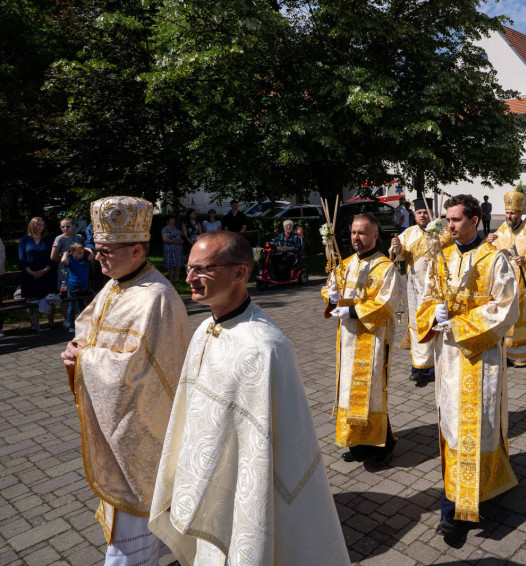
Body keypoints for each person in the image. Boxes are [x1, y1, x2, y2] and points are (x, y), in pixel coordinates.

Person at [149, 231, 349, 566]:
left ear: (239, 273)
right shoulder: (205, 330)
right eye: (189, 268)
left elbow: (284, 447)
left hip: (244, 490)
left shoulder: (264, 348)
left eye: (202, 269)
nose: (189, 278)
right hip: (206, 479)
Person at [60, 196, 191, 565]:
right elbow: (88, 329)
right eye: (96, 249)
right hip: (115, 420)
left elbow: (139, 370)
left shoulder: (156, 296)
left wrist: (85, 359)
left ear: (136, 250)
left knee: (132, 529)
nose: (97, 257)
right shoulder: (115, 285)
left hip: (142, 427)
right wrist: (75, 349)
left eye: (106, 251)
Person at [415, 194, 519, 538]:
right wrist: (433, 314)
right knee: (453, 426)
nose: (449, 226)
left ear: (474, 220)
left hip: (482, 357)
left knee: (481, 425)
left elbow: (507, 307)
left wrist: (459, 323)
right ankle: (453, 507)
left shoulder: (494, 259)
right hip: (448, 360)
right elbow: (425, 301)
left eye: (456, 219)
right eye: (447, 219)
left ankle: (482, 490)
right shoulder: (440, 257)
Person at [323, 213, 403, 466]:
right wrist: (332, 297)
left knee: (372, 392)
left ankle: (383, 445)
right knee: (348, 391)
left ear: (375, 235)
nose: (356, 237)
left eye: (362, 233)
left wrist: (353, 311)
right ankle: (357, 443)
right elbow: (329, 288)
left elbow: (388, 302)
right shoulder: (344, 264)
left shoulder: (385, 267)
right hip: (348, 341)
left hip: (374, 339)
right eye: (354, 232)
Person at [390, 198, 452, 383]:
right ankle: (420, 367)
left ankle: (438, 364)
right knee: (418, 323)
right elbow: (398, 256)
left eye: (426, 212)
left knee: (437, 322)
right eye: (419, 213)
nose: (422, 215)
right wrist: (397, 247)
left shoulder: (444, 232)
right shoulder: (408, 233)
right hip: (415, 289)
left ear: (432, 214)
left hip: (439, 287)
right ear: (415, 215)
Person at [487, 189, 526, 367]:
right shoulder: (501, 230)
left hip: (523, 284)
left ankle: (522, 356)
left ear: (520, 213)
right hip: (503, 286)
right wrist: (488, 242)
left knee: (521, 317)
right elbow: (490, 255)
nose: (509, 216)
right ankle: (505, 353)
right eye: (507, 212)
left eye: (513, 213)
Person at [19, 217, 57, 330]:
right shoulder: (24, 240)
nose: (40, 227)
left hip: (47, 273)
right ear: (32, 225)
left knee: (50, 298)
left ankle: (51, 322)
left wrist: (45, 270)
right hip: (30, 274)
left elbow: (52, 257)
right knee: (31, 299)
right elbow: (22, 258)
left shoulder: (49, 239)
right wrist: (30, 272)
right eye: (37, 224)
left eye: (42, 225)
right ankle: (34, 324)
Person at [60, 243, 94, 333]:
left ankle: (82, 325)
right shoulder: (70, 261)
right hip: (73, 286)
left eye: (82, 252)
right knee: (72, 306)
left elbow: (92, 255)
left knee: (82, 306)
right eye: (78, 253)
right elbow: (63, 260)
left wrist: (86, 249)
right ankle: (71, 325)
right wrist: (65, 254)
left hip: (84, 286)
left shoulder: (84, 259)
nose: (81, 254)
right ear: (72, 252)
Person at [161, 215, 184, 283]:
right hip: (170, 248)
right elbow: (165, 239)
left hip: (178, 248)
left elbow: (181, 236)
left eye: (173, 219)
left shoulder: (176, 228)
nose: (173, 221)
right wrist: (176, 242)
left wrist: (181, 241)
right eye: (171, 220)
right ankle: (171, 279)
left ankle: (177, 279)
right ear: (167, 221)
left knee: (178, 264)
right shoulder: (165, 229)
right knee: (171, 264)